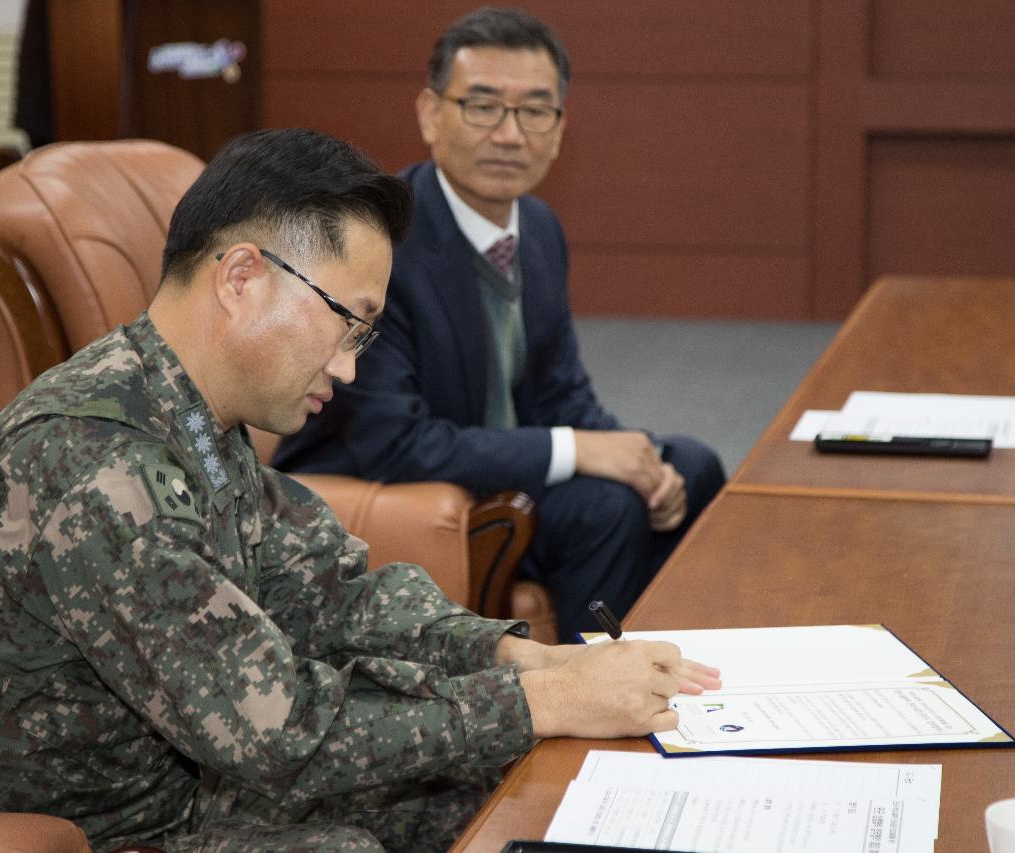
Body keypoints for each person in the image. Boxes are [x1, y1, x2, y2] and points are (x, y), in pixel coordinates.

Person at [0, 128, 720, 853]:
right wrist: (548, 700)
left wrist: (520, 657)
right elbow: (282, 731)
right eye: (349, 323)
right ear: (241, 278)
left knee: (484, 785)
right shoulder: (96, 460)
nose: (348, 367)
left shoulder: (190, 414)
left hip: (171, 792)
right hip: (63, 831)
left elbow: (337, 592)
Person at [274, 7, 727, 641]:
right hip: (400, 480)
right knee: (606, 508)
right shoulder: (379, 244)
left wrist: (639, 459)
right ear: (431, 113)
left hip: (501, 468)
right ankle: (583, 696)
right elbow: (395, 443)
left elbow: (559, 391)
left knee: (693, 466)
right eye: (483, 106)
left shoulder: (538, 228)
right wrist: (580, 452)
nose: (509, 134)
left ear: (560, 127)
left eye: (534, 110)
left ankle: (661, 661)